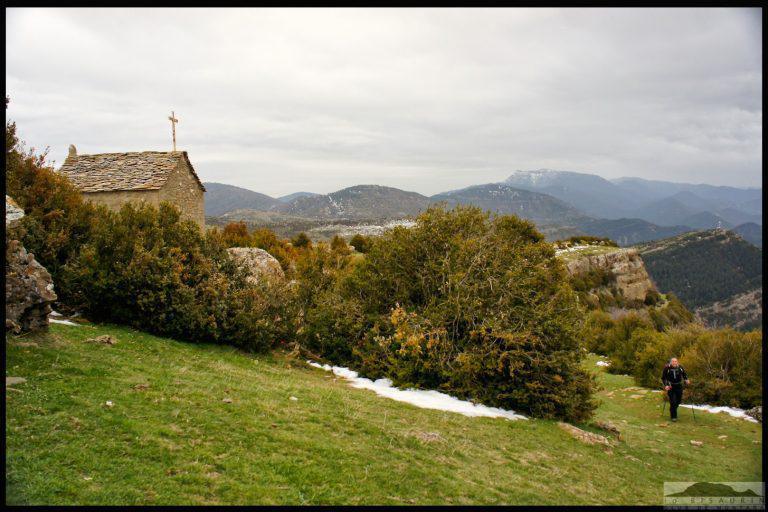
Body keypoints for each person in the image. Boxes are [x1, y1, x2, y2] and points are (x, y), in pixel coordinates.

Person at [661, 357, 690, 422]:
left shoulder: (680, 367)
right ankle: (674, 417)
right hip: (671, 386)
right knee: (673, 401)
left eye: (676, 361)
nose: (674, 362)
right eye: (673, 361)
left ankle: (672, 409)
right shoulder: (667, 368)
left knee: (678, 401)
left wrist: (686, 380)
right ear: (671, 362)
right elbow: (663, 378)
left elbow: (684, 374)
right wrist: (666, 385)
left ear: (677, 362)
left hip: (679, 386)